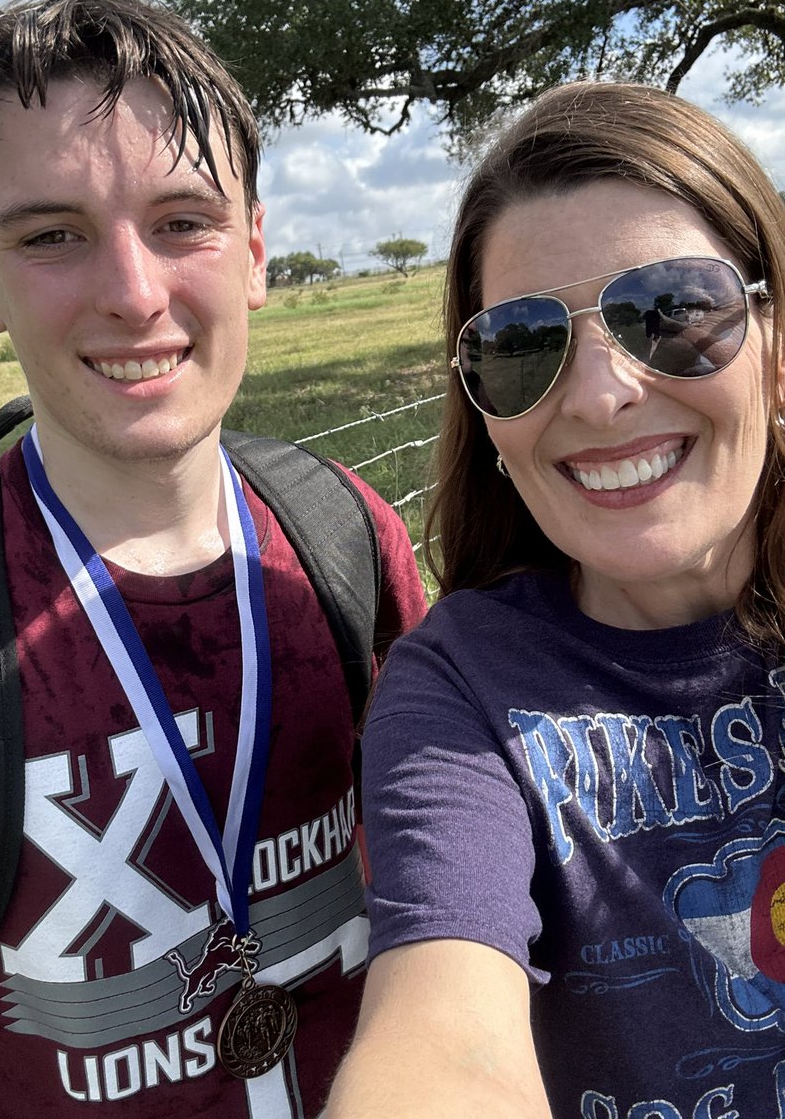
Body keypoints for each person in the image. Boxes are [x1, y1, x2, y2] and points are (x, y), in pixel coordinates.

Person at [0, 0, 426, 1118]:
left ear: (258, 252)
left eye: (184, 221)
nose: (134, 294)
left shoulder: (347, 535)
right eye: (52, 237)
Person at [326, 81, 785, 1118]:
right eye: (525, 345)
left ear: (775, 342)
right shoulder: (461, 696)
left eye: (674, 311)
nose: (599, 394)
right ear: (483, 410)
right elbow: (442, 1050)